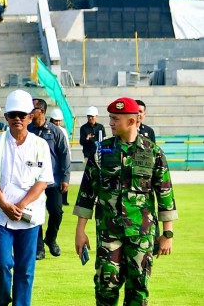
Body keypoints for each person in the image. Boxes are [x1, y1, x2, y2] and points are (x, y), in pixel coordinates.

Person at [74, 96, 178, 306]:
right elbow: (87, 191)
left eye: (115, 119)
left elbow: (165, 193)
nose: (110, 122)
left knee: (138, 288)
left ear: (131, 121)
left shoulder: (153, 152)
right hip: (108, 232)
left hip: (141, 233)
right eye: (111, 118)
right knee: (106, 286)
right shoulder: (102, 151)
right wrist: (80, 230)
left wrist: (167, 234)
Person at [0, 90, 53, 306]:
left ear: (30, 116)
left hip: (29, 216)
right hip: (0, 215)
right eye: (12, 115)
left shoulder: (40, 145)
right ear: (6, 117)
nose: (17, 119)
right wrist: (5, 205)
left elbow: (42, 181)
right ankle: (2, 297)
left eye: (22, 114)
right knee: (1, 262)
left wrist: (20, 205)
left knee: (25, 270)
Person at [28, 98, 70, 261]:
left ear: (42, 111)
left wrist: (65, 178)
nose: (30, 112)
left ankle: (51, 238)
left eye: (34, 109)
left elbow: (65, 155)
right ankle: (39, 248)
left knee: (56, 212)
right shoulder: (28, 130)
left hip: (52, 180)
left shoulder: (55, 131)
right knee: (34, 214)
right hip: (33, 181)